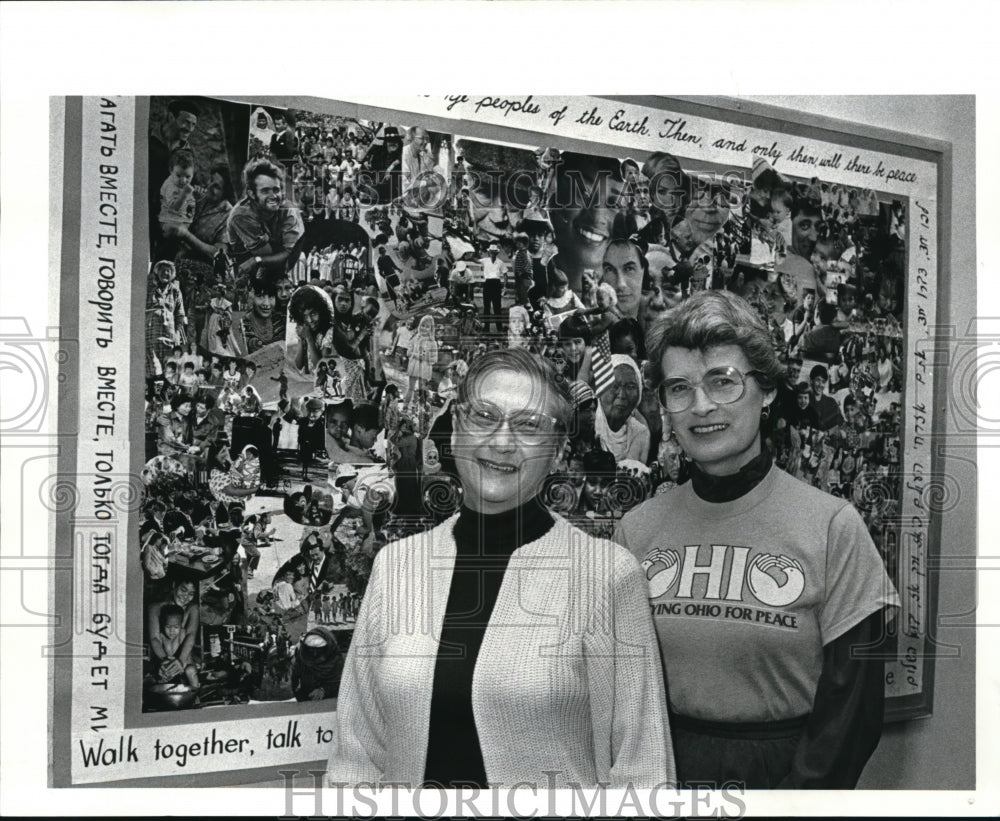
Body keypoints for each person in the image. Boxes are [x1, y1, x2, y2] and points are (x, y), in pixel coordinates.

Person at [326, 347, 674, 788]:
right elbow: (356, 756)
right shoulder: (396, 567)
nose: (502, 441)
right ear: (454, 432)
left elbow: (643, 770)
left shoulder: (607, 577)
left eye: (529, 425)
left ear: (558, 451)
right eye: (484, 416)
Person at [615, 289, 899, 789]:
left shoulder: (833, 527)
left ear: (766, 390)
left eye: (722, 381)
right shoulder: (635, 531)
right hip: (657, 776)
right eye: (678, 388)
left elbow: (850, 715)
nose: (701, 406)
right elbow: (617, 696)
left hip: (786, 779)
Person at [226, 158, 305, 283]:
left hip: (277, 253)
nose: (273, 196)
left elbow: (286, 254)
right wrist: (258, 260)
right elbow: (267, 254)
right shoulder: (242, 215)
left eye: (276, 190)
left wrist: (257, 260)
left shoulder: (289, 211)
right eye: (265, 191)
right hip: (242, 256)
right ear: (251, 194)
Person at [595, 354, 650, 464]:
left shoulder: (640, 433)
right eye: (614, 386)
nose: (622, 395)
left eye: (630, 387)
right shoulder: (587, 423)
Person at [404, 314, 438, 405]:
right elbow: (408, 353)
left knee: (421, 390)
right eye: (423, 325)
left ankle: (421, 412)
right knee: (410, 388)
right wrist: (416, 355)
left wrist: (426, 358)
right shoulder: (415, 338)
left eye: (427, 327)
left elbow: (434, 359)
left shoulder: (432, 342)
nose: (424, 328)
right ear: (419, 325)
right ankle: (405, 407)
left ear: (431, 329)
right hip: (414, 367)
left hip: (424, 368)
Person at [479, 242, 506, 334]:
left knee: (497, 307)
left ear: (496, 253)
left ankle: (499, 329)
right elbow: (474, 260)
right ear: (489, 253)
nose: (492, 254)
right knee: (486, 307)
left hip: (496, 284)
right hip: (487, 283)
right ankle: (486, 328)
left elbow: (505, 275)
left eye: (494, 252)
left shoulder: (500, 262)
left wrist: (504, 287)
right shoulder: (484, 260)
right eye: (491, 252)